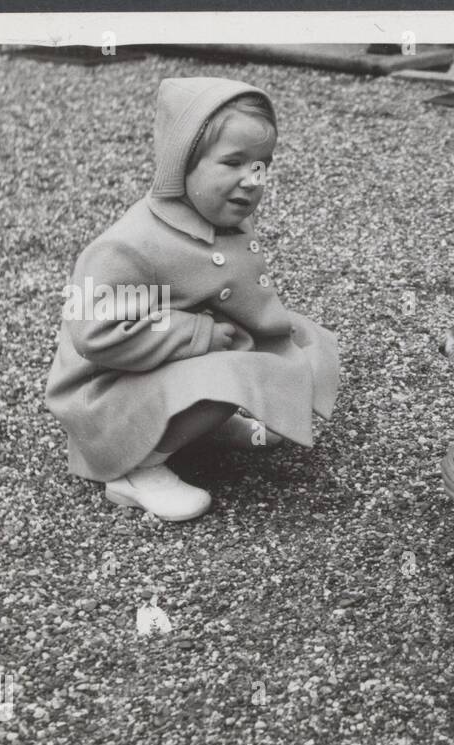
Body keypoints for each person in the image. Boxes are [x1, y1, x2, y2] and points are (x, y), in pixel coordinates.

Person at [46, 77, 339, 521]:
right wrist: (198, 331)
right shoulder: (131, 245)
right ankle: (134, 467)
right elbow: (95, 330)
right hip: (106, 393)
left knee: (297, 342)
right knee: (234, 375)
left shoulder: (220, 219)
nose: (253, 180)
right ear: (181, 163)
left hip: (165, 364)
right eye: (234, 162)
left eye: (263, 164)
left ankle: (198, 429)